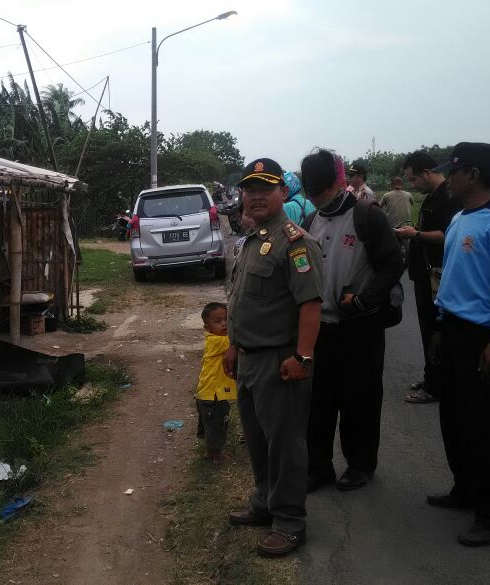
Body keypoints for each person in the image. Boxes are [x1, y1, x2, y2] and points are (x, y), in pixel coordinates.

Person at [224, 157, 323, 558]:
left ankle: (289, 522)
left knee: (285, 444)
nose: (257, 196)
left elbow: (311, 305)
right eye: (250, 189)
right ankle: (264, 502)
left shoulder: (296, 242)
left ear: (284, 192)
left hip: (280, 360)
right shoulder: (252, 237)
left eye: (266, 188)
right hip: (248, 358)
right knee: (258, 441)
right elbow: (239, 301)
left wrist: (303, 357)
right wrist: (233, 346)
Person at [428, 142, 490, 547]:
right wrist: (438, 324)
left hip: (482, 336)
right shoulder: (459, 218)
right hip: (451, 330)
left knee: (481, 425)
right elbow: (451, 276)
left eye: (454, 172)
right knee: (453, 416)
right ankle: (465, 489)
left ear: (473, 175)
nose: (448, 179)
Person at [301, 149, 404, 493]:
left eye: (322, 190)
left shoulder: (367, 216)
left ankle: (360, 465)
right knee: (317, 402)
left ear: (339, 182)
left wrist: (364, 299)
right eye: (311, 192)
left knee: (359, 399)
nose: (317, 198)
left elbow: (392, 263)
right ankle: (318, 467)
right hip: (320, 327)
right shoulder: (311, 219)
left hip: (360, 326)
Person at [396, 152, 463, 404]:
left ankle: (437, 385)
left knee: (436, 330)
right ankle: (431, 376)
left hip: (438, 275)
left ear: (427, 173)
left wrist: (416, 234)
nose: (412, 185)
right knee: (428, 329)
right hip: (426, 274)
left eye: (413, 179)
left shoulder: (447, 197)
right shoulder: (434, 196)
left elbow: (448, 235)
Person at [195, 302, 237, 462]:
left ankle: (209, 452)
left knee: (211, 423)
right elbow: (236, 341)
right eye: (218, 322)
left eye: (226, 319)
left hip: (209, 393)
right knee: (217, 424)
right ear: (208, 327)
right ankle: (217, 455)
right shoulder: (218, 342)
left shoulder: (216, 339)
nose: (224, 324)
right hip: (214, 394)